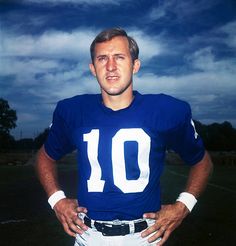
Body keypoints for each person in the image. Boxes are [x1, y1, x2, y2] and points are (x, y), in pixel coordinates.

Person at [35, 27, 213, 246]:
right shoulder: (72, 111)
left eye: (119, 57)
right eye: (102, 59)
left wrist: (183, 206)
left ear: (135, 65)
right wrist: (57, 200)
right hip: (87, 236)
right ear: (93, 68)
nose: (110, 67)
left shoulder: (167, 111)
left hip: (144, 237)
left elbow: (202, 161)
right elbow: (45, 156)